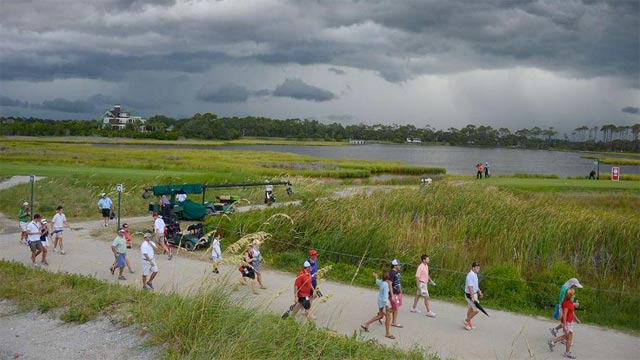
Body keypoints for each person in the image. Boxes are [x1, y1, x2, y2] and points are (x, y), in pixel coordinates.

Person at [548, 288, 581, 359]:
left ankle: (553, 342)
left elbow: (572, 312)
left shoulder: (570, 302)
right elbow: (565, 315)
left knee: (568, 337)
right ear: (571, 295)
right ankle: (567, 353)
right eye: (574, 294)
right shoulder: (566, 303)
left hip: (570, 322)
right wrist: (565, 326)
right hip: (567, 323)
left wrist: (576, 319)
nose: (575, 295)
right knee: (569, 337)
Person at [360, 271, 395, 340]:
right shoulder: (386, 285)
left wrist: (375, 276)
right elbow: (385, 298)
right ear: (389, 278)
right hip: (384, 303)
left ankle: (366, 324)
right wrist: (385, 308)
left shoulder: (382, 282)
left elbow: (377, 281)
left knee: (380, 315)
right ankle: (387, 333)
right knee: (388, 317)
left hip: (379, 302)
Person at [464, 261, 483, 330]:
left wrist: (479, 292)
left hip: (474, 294)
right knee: (476, 310)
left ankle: (468, 324)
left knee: (470, 309)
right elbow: (470, 287)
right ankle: (466, 321)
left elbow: (475, 285)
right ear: (473, 268)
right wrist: (472, 297)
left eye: (479, 268)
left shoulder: (475, 274)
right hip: (470, 295)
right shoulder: (470, 275)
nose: (478, 269)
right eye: (477, 268)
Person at [389, 259, 404, 328]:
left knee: (396, 307)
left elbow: (398, 283)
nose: (400, 266)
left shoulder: (398, 272)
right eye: (399, 265)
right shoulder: (391, 273)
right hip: (393, 293)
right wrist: (392, 295)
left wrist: (400, 292)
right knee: (395, 307)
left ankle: (393, 321)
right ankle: (383, 314)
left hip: (397, 293)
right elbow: (390, 284)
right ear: (395, 266)